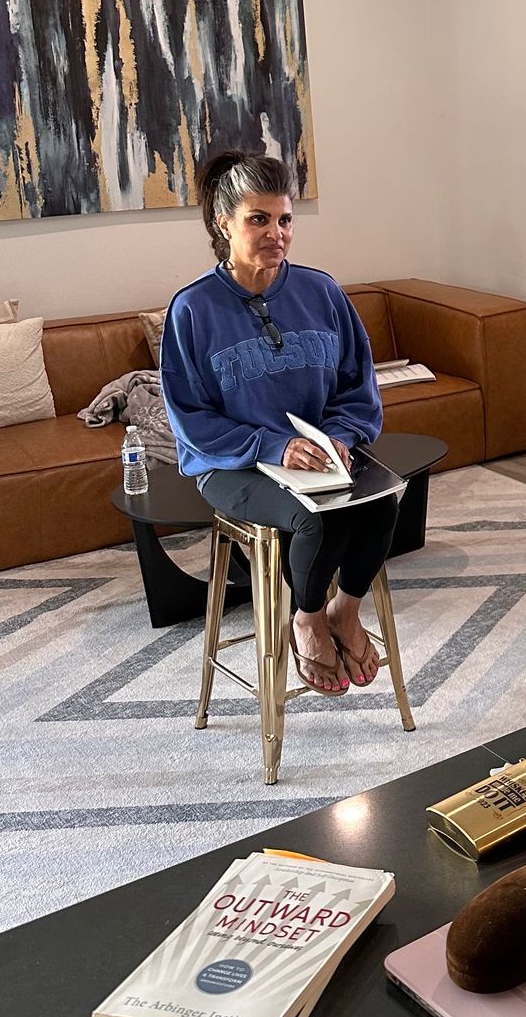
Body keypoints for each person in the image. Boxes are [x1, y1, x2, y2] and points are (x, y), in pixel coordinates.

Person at [160, 151, 397, 696]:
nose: (277, 233)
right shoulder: (192, 309)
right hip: (233, 464)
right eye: (258, 219)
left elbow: (358, 389)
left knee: (381, 500)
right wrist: (273, 445)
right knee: (319, 519)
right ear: (224, 223)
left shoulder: (322, 293)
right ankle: (307, 619)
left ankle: (345, 610)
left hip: (321, 455)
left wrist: (339, 435)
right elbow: (191, 418)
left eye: (285, 219)